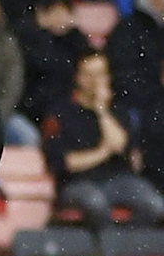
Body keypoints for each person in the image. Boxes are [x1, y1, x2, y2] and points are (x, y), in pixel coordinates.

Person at [40, 53, 164, 227]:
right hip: (77, 183)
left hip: (118, 179)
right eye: (89, 75)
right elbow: (65, 162)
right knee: (95, 203)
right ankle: (107, 252)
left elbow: (120, 146)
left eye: (100, 74)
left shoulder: (118, 110)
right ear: (78, 77)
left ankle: (128, 247)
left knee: (154, 204)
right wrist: (103, 152)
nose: (95, 81)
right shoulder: (60, 113)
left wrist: (101, 110)